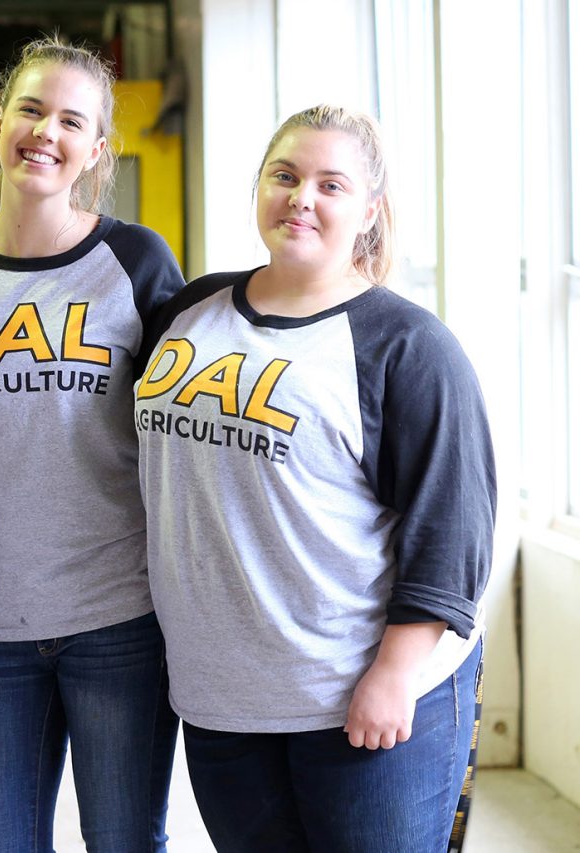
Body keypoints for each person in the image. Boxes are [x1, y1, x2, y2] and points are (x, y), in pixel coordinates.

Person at [134, 104, 495, 852]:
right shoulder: (187, 310)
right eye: (286, 176)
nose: (302, 197)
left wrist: (393, 674)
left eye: (332, 185)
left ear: (369, 211)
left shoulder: (407, 346)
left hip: (361, 695)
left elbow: (454, 528)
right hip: (223, 696)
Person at [0, 36, 184, 852]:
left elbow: (180, 425)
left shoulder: (133, 260)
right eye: (30, 109)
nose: (46, 131)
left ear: (95, 148)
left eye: (72, 119)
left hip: (121, 621)